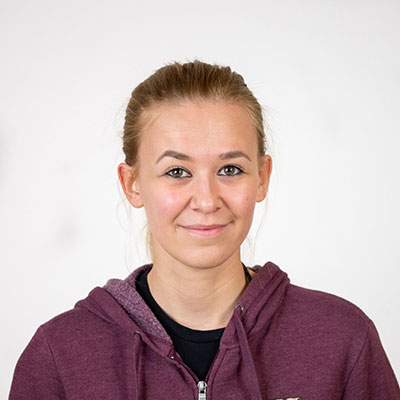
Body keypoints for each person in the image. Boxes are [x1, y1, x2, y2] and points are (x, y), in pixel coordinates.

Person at [9, 60, 399, 400]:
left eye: (230, 169)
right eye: (177, 171)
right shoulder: (58, 357)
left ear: (262, 177)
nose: (207, 200)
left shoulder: (343, 339)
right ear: (133, 184)